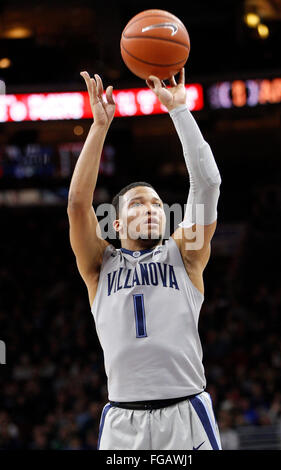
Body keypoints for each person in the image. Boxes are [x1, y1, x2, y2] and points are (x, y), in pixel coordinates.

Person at [67, 68, 222, 450]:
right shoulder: (99, 266)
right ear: (116, 222)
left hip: (186, 415)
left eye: (156, 204)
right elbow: (76, 204)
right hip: (122, 421)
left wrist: (180, 111)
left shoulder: (184, 254)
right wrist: (99, 127)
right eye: (138, 203)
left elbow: (207, 185)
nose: (151, 209)